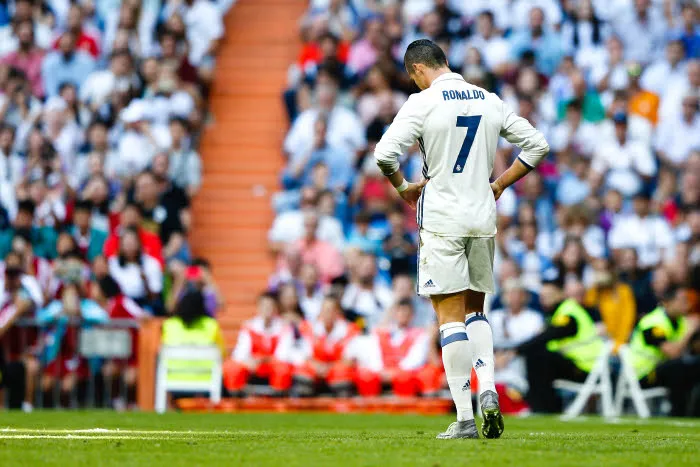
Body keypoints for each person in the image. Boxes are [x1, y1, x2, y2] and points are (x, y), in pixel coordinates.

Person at [373, 39, 549, 438]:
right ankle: (489, 388)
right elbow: (537, 145)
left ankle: (466, 417)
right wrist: (500, 183)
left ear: (416, 70)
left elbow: (384, 155)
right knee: (476, 312)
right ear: (445, 61)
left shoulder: (423, 101)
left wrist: (402, 187)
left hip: (442, 220)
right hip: (482, 218)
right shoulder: (489, 99)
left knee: (449, 319)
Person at [511, 269, 605, 413]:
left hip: (586, 367)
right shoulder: (558, 313)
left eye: (549, 296)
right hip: (580, 364)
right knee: (540, 355)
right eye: (542, 297)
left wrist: (515, 351)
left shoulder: (568, 313)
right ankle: (541, 406)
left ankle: (543, 408)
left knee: (540, 357)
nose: (544, 300)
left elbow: (549, 335)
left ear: (561, 294)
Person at [627, 286, 700, 417]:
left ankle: (694, 412)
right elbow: (673, 353)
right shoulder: (652, 322)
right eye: (682, 301)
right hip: (644, 373)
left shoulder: (681, 322)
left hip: (663, 369)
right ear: (667, 303)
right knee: (677, 367)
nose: (687, 305)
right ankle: (678, 414)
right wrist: (689, 332)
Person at [352, 298, 442, 398]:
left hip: (404, 374)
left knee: (404, 377)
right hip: (382, 371)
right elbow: (374, 355)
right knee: (366, 376)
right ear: (395, 314)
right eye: (400, 312)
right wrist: (380, 371)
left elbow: (416, 359)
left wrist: (395, 372)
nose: (403, 315)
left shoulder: (420, 335)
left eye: (406, 313)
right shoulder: (380, 332)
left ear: (412, 316)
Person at [273, 295, 358, 396]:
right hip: (314, 367)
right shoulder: (308, 328)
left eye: (331, 310)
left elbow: (350, 359)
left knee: (343, 373)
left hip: (337, 369)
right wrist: (316, 366)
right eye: (325, 310)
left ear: (338, 313)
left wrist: (329, 367)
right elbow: (301, 353)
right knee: (302, 370)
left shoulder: (349, 329)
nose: (328, 314)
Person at [223, 292, 285, 395]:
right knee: (232, 368)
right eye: (264, 306)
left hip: (273, 364)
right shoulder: (249, 326)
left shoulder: (283, 327)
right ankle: (234, 399)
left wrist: (263, 360)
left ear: (276, 308)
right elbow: (240, 352)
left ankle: (280, 399)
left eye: (270, 306)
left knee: (283, 369)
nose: (267, 310)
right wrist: (249, 361)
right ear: (258, 308)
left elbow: (283, 354)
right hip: (252, 364)